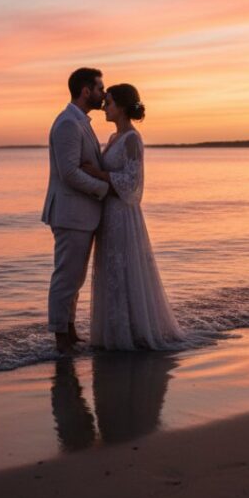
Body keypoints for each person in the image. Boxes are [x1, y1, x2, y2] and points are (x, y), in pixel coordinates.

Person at [81, 84, 185, 350]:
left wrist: (97, 173)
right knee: (111, 271)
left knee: (124, 268)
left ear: (123, 107)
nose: (105, 106)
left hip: (123, 215)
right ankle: (116, 332)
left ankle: (133, 333)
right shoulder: (114, 138)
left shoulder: (132, 139)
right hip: (108, 214)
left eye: (109, 102)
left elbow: (132, 183)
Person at [42, 67, 108, 354]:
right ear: (85, 91)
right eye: (99, 88)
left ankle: (69, 331)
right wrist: (103, 189)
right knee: (66, 277)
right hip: (71, 214)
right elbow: (69, 173)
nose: (103, 94)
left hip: (81, 214)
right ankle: (60, 338)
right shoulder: (68, 123)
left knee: (75, 278)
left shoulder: (80, 121)